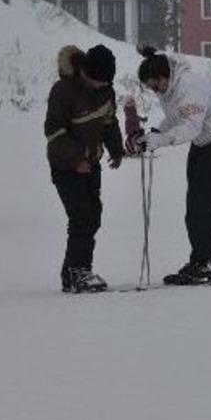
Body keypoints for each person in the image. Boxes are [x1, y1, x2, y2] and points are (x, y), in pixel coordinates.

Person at [132, 46, 211, 285]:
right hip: (204, 142)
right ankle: (202, 258)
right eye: (151, 88)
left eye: (155, 85)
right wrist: (154, 133)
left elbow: (190, 127)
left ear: (164, 76)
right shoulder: (169, 89)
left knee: (203, 204)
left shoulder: (189, 85)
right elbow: (175, 119)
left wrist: (161, 140)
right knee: (193, 205)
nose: (155, 91)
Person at [44, 44, 124, 293]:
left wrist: (116, 149)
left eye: (106, 82)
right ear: (87, 72)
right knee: (81, 217)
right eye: (99, 80)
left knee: (93, 216)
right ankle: (77, 272)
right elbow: (54, 132)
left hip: (91, 164)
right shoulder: (63, 91)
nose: (102, 86)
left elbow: (109, 121)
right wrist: (76, 159)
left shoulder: (106, 91)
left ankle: (76, 272)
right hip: (65, 166)